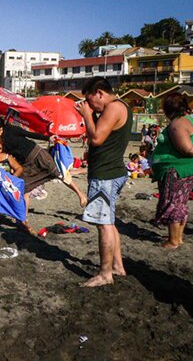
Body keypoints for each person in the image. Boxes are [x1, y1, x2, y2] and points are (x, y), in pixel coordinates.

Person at [76, 76, 132, 287]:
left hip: (106, 175)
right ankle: (117, 266)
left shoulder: (113, 108)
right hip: (112, 172)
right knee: (109, 222)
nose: (90, 106)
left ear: (100, 92)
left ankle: (105, 274)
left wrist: (87, 116)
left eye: (91, 101)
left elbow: (97, 138)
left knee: (103, 224)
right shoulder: (122, 106)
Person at [0, 115, 87, 231]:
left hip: (37, 154)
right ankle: (23, 219)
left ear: (1, 128)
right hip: (26, 164)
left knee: (59, 174)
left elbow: (29, 134)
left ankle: (80, 194)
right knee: (24, 188)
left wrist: (47, 138)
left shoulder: (12, 130)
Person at [150, 93, 193, 249]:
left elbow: (187, 149)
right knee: (181, 202)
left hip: (177, 169)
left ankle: (173, 240)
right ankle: (178, 237)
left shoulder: (178, 124)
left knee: (173, 203)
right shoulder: (190, 121)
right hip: (185, 168)